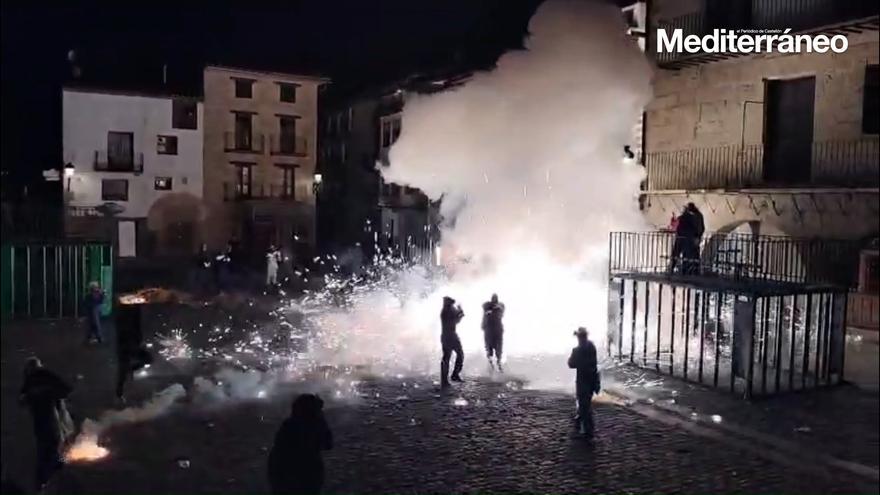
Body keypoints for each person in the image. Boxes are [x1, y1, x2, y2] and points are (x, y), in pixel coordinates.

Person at [19, 357, 73, 490]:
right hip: (47, 417)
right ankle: (51, 475)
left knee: (48, 446)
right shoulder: (40, 378)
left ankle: (46, 479)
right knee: (50, 444)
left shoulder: (35, 379)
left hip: (45, 417)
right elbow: (65, 389)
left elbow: (22, 399)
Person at [268, 394, 333, 495]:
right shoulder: (315, 425)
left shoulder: (288, 424)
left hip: (284, 475)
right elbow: (328, 444)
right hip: (306, 474)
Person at [115, 302, 152, 403]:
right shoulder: (124, 312)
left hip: (131, 343)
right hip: (125, 344)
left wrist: (140, 341)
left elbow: (138, 326)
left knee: (147, 359)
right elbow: (124, 328)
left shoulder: (135, 310)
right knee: (123, 370)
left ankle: (129, 370)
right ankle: (119, 394)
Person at [567, 327, 600, 439]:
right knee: (586, 402)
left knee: (583, 403)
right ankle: (582, 422)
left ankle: (587, 429)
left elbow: (571, 364)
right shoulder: (592, 346)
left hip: (582, 380)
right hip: (592, 378)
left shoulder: (577, 350)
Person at [440, 296, 465, 388]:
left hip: (447, 335)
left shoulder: (447, 310)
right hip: (450, 336)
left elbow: (455, 320)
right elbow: (456, 320)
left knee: (448, 357)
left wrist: (460, 313)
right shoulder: (447, 311)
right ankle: (452, 376)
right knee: (456, 355)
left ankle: (448, 378)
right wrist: (460, 312)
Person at [481, 293, 506, 372]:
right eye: (493, 298)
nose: (494, 300)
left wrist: (494, 309)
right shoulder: (487, 305)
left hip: (497, 330)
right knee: (489, 349)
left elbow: (501, 309)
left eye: (495, 298)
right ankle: (491, 365)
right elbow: (484, 307)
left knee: (498, 349)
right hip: (489, 330)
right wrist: (492, 309)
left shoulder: (500, 305)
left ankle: (498, 364)